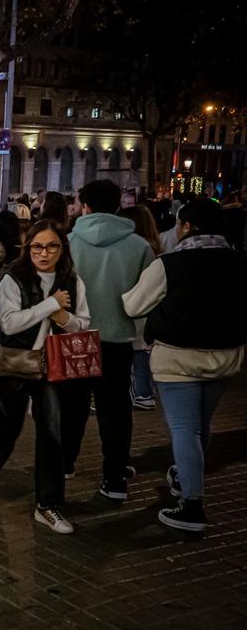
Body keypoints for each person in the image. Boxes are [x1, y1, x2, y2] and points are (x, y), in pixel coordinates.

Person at [122, 198, 246, 532]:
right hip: (224, 357)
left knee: (184, 428)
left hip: (177, 359)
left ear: (186, 227)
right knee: (201, 425)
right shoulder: (239, 261)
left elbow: (134, 306)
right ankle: (182, 475)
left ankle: (191, 504)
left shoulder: (170, 264)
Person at [0, 220, 91, 534]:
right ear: (28, 248)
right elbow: (10, 324)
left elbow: (82, 324)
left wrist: (62, 316)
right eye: (37, 246)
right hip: (14, 364)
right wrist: (50, 304)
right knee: (6, 427)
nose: (44, 253)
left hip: (54, 368)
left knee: (52, 434)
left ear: (62, 248)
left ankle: (48, 505)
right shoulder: (13, 278)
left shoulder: (72, 280)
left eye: (52, 246)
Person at [66, 179, 155, 500]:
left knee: (73, 405)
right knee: (115, 410)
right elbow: (147, 299)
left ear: (85, 206)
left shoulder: (69, 243)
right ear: (117, 205)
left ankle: (65, 462)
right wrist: (141, 338)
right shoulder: (139, 246)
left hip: (76, 337)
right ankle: (114, 477)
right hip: (118, 338)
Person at [117, 204, 163, 410]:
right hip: (147, 309)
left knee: (135, 350)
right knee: (141, 351)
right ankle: (145, 392)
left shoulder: (133, 248)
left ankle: (141, 392)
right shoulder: (153, 246)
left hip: (131, 305)